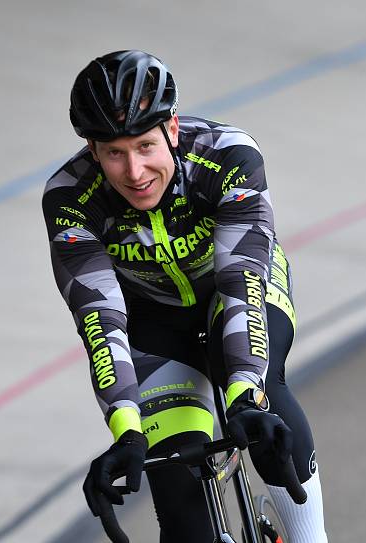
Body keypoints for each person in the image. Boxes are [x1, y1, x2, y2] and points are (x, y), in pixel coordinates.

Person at [42, 50, 328, 541]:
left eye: (145, 146)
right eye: (114, 152)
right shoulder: (70, 197)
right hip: (153, 324)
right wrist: (126, 428)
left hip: (234, 293)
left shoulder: (227, 155)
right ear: (92, 150)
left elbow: (240, 282)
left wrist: (244, 395)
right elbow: (99, 317)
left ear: (172, 130)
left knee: (266, 411)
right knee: (181, 509)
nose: (134, 171)